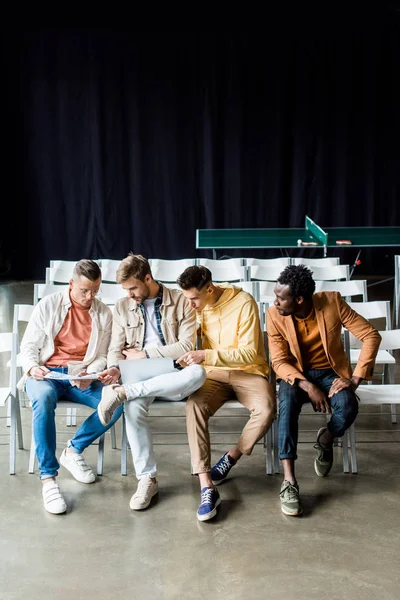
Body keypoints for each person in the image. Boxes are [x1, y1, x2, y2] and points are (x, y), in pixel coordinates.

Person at [267, 264, 381, 516]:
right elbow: (278, 361)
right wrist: (307, 386)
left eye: (280, 297)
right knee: (285, 409)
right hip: (295, 376)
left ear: (299, 299)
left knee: (349, 405)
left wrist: (355, 379)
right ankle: (289, 481)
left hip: (330, 373)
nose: (275, 302)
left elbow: (371, 335)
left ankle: (326, 439)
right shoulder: (274, 314)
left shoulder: (332, 302)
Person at [97, 254, 206, 511]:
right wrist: (115, 368)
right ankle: (147, 478)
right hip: (139, 374)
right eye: (126, 290)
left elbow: (185, 346)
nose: (130, 294)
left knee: (198, 373)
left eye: (133, 288)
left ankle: (124, 392)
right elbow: (116, 347)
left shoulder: (180, 301)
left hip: (172, 373)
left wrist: (145, 354)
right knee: (132, 408)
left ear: (148, 278)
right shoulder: (122, 306)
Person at [19, 259, 123, 515]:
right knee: (42, 401)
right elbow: (28, 347)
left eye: (95, 290)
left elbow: (101, 355)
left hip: (80, 376)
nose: (90, 297)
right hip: (47, 373)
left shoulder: (103, 313)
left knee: (116, 403)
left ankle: (73, 450)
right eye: (84, 290)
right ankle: (48, 479)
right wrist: (33, 368)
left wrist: (90, 372)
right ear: (71, 284)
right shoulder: (49, 305)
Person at [176, 265, 276, 522]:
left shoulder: (244, 302)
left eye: (194, 298)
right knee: (193, 407)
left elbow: (249, 353)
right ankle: (207, 486)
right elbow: (185, 338)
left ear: (210, 289)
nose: (191, 304)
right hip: (214, 374)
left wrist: (205, 355)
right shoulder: (196, 307)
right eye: (187, 299)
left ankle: (232, 456)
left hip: (249, 372)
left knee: (266, 410)